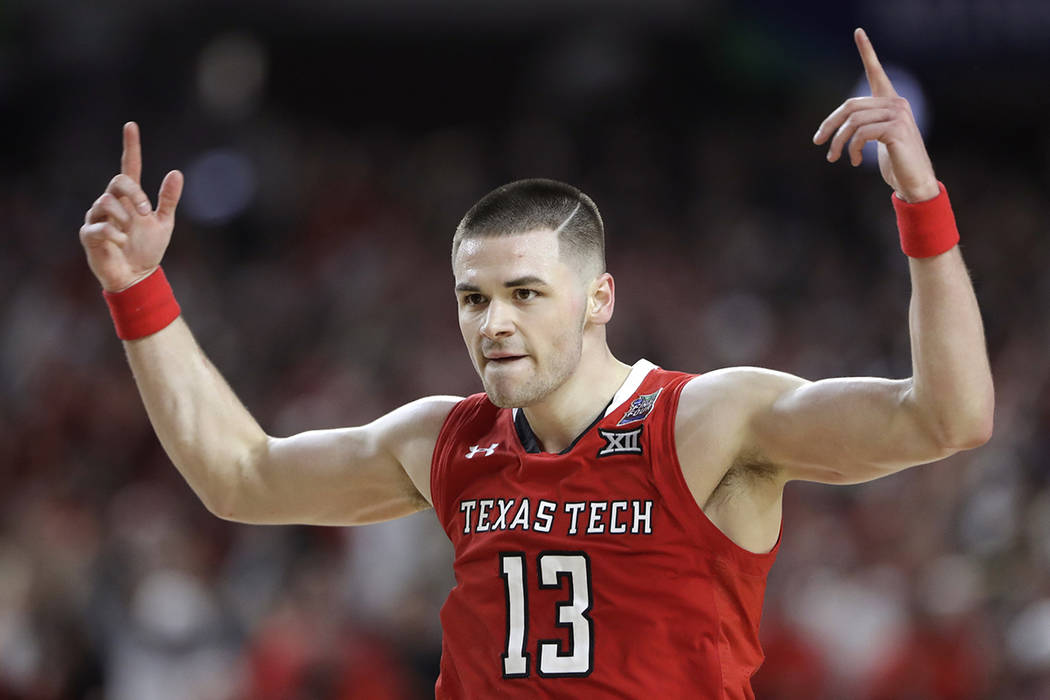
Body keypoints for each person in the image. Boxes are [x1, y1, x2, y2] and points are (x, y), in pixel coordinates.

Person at [79, 28, 993, 699]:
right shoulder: (444, 437)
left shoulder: (711, 420)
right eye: (474, 299)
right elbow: (240, 477)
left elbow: (949, 419)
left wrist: (921, 201)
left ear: (599, 300)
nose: (493, 324)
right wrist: (139, 294)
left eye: (525, 293)